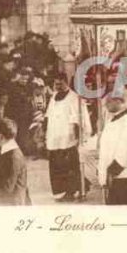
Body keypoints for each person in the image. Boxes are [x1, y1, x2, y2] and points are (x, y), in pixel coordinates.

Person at [46, 73, 90, 202]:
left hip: (68, 138)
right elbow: (48, 115)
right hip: (54, 137)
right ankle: (62, 192)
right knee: (57, 166)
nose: (57, 86)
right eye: (55, 84)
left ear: (66, 82)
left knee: (69, 166)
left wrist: (77, 139)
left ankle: (74, 191)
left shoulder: (74, 98)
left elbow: (78, 119)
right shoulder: (53, 97)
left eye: (60, 84)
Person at [0, 118, 31, 205]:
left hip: (13, 206)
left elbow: (7, 188)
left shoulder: (13, 156)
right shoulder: (7, 151)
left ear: (1, 136)